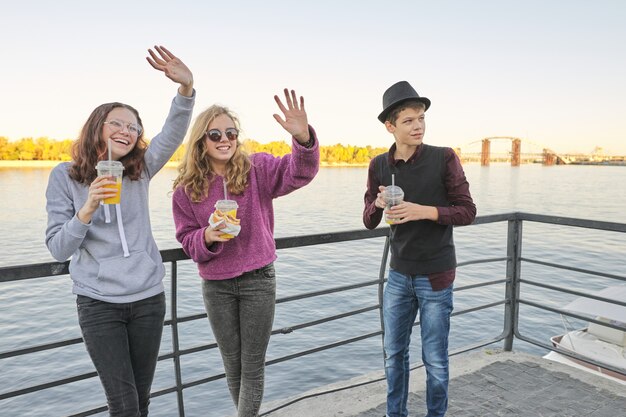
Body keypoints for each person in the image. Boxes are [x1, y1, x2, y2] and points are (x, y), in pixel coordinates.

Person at [45, 45, 195, 416]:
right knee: (124, 404)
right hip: (99, 304)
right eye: (118, 123)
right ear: (98, 127)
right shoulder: (64, 176)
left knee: (140, 401)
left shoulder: (140, 169)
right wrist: (88, 209)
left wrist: (187, 90)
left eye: (133, 126)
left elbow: (172, 134)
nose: (127, 131)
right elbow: (57, 249)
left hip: (147, 299)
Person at [171, 88, 319, 417]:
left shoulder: (257, 169)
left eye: (231, 133)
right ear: (201, 142)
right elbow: (186, 239)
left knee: (252, 368)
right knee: (233, 368)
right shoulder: (185, 190)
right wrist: (207, 236)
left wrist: (304, 139)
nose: (225, 139)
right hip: (217, 285)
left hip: (258, 280)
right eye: (215, 134)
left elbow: (300, 173)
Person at [363, 81, 476, 417]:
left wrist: (423, 211)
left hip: (436, 275)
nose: (418, 126)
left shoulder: (444, 158)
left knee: (435, 359)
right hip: (398, 275)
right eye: (409, 120)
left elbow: (467, 211)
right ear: (391, 126)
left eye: (421, 118)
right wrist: (380, 204)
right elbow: (369, 219)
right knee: (393, 354)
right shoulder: (379, 166)